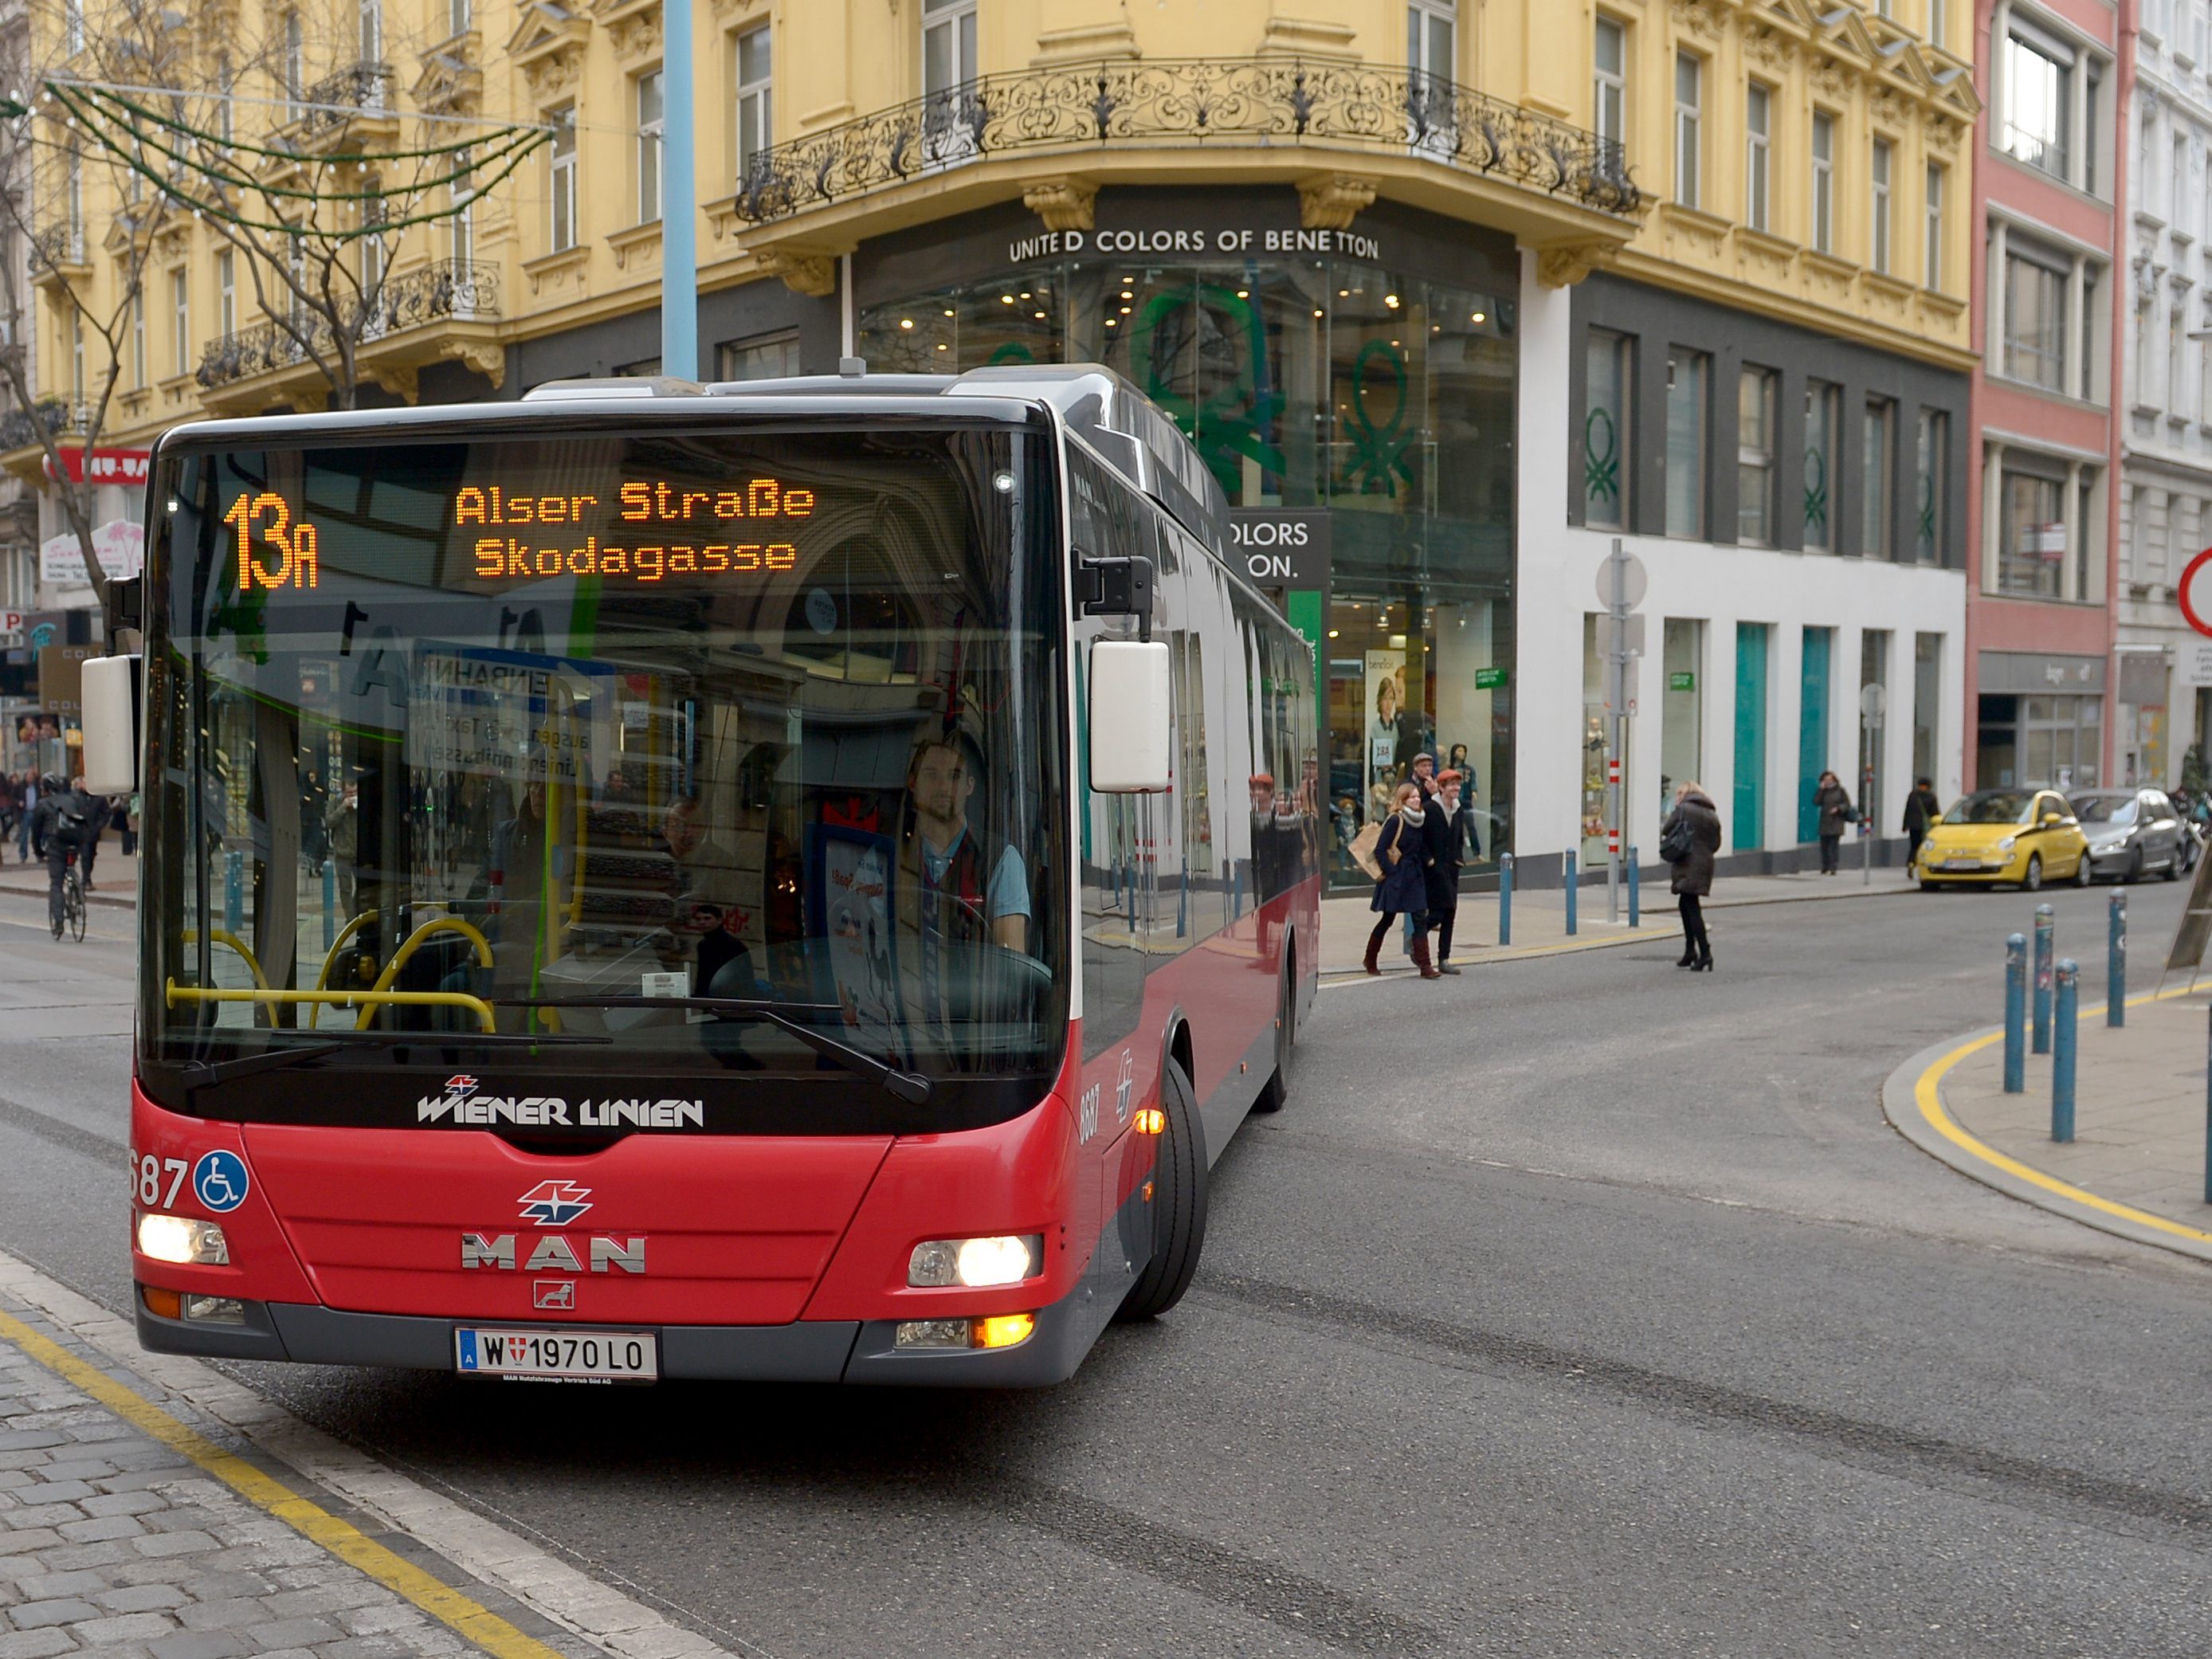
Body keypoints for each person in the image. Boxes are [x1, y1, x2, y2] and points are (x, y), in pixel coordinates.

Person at [1363, 782, 1438, 979]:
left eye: (1417, 797)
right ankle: (1370, 959)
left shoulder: (1420, 820)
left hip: (1414, 875)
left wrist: (1429, 860)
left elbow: (1420, 847)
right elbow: (1380, 849)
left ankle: (1425, 966)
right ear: (1403, 800)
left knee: (1420, 918)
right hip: (1397, 875)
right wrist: (1392, 873)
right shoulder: (1396, 820)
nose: (1416, 800)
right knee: (1388, 919)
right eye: (1412, 797)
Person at [1662, 781, 1722, 971]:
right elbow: (1716, 843)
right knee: (1686, 904)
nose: (1677, 797)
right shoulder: (1711, 814)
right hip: (1705, 862)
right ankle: (1690, 952)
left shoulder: (1684, 809)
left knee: (1692, 907)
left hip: (1688, 862)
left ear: (1685, 793)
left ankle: (1705, 953)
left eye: (1679, 794)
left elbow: (1667, 829)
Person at [28, 773, 91, 936]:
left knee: (56, 883)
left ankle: (58, 922)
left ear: (45, 789)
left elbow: (36, 832)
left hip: (56, 845)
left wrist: (39, 851)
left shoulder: (42, 804)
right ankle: (77, 891)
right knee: (70, 864)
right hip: (74, 843)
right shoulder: (72, 799)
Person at [1422, 768, 1470, 974]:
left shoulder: (1458, 809)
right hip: (1435, 868)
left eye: (1458, 784)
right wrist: (1430, 861)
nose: (1456, 788)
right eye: (1451, 785)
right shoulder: (1430, 808)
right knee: (1438, 912)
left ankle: (1444, 958)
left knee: (1450, 912)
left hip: (1452, 867)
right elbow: (1422, 840)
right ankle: (1418, 937)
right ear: (1441, 788)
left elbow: (1459, 836)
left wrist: (1459, 859)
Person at [1813, 770, 1854, 875]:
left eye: (1830, 780)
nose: (1828, 782)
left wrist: (1838, 808)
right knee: (1824, 847)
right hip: (1825, 822)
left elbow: (1847, 804)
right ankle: (1825, 866)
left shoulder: (1840, 791)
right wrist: (1821, 790)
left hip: (1836, 822)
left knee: (1833, 847)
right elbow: (1816, 802)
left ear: (1834, 780)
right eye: (1825, 780)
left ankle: (1833, 867)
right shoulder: (1823, 791)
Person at [1901, 776, 1943, 873]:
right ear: (1928, 786)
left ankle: (1911, 863)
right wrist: (1939, 825)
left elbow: (1907, 811)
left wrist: (1905, 825)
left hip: (1913, 826)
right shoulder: (1931, 797)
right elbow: (1935, 813)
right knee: (1925, 847)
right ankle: (1923, 865)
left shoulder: (1913, 795)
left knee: (1914, 846)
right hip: (1925, 827)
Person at [76, 793, 108, 891]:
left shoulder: (100, 799)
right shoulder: (77, 797)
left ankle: (87, 877)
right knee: (85, 856)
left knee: (91, 856)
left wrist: (98, 826)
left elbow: (106, 813)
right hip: (80, 832)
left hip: (93, 832)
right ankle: (86, 880)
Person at [14, 772, 35, 864]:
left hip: (35, 811)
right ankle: (23, 855)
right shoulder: (20, 786)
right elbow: (13, 797)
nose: (30, 779)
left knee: (37, 834)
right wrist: (18, 802)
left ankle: (39, 854)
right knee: (24, 835)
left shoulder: (36, 786)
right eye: (29, 777)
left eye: (32, 777)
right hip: (25, 812)